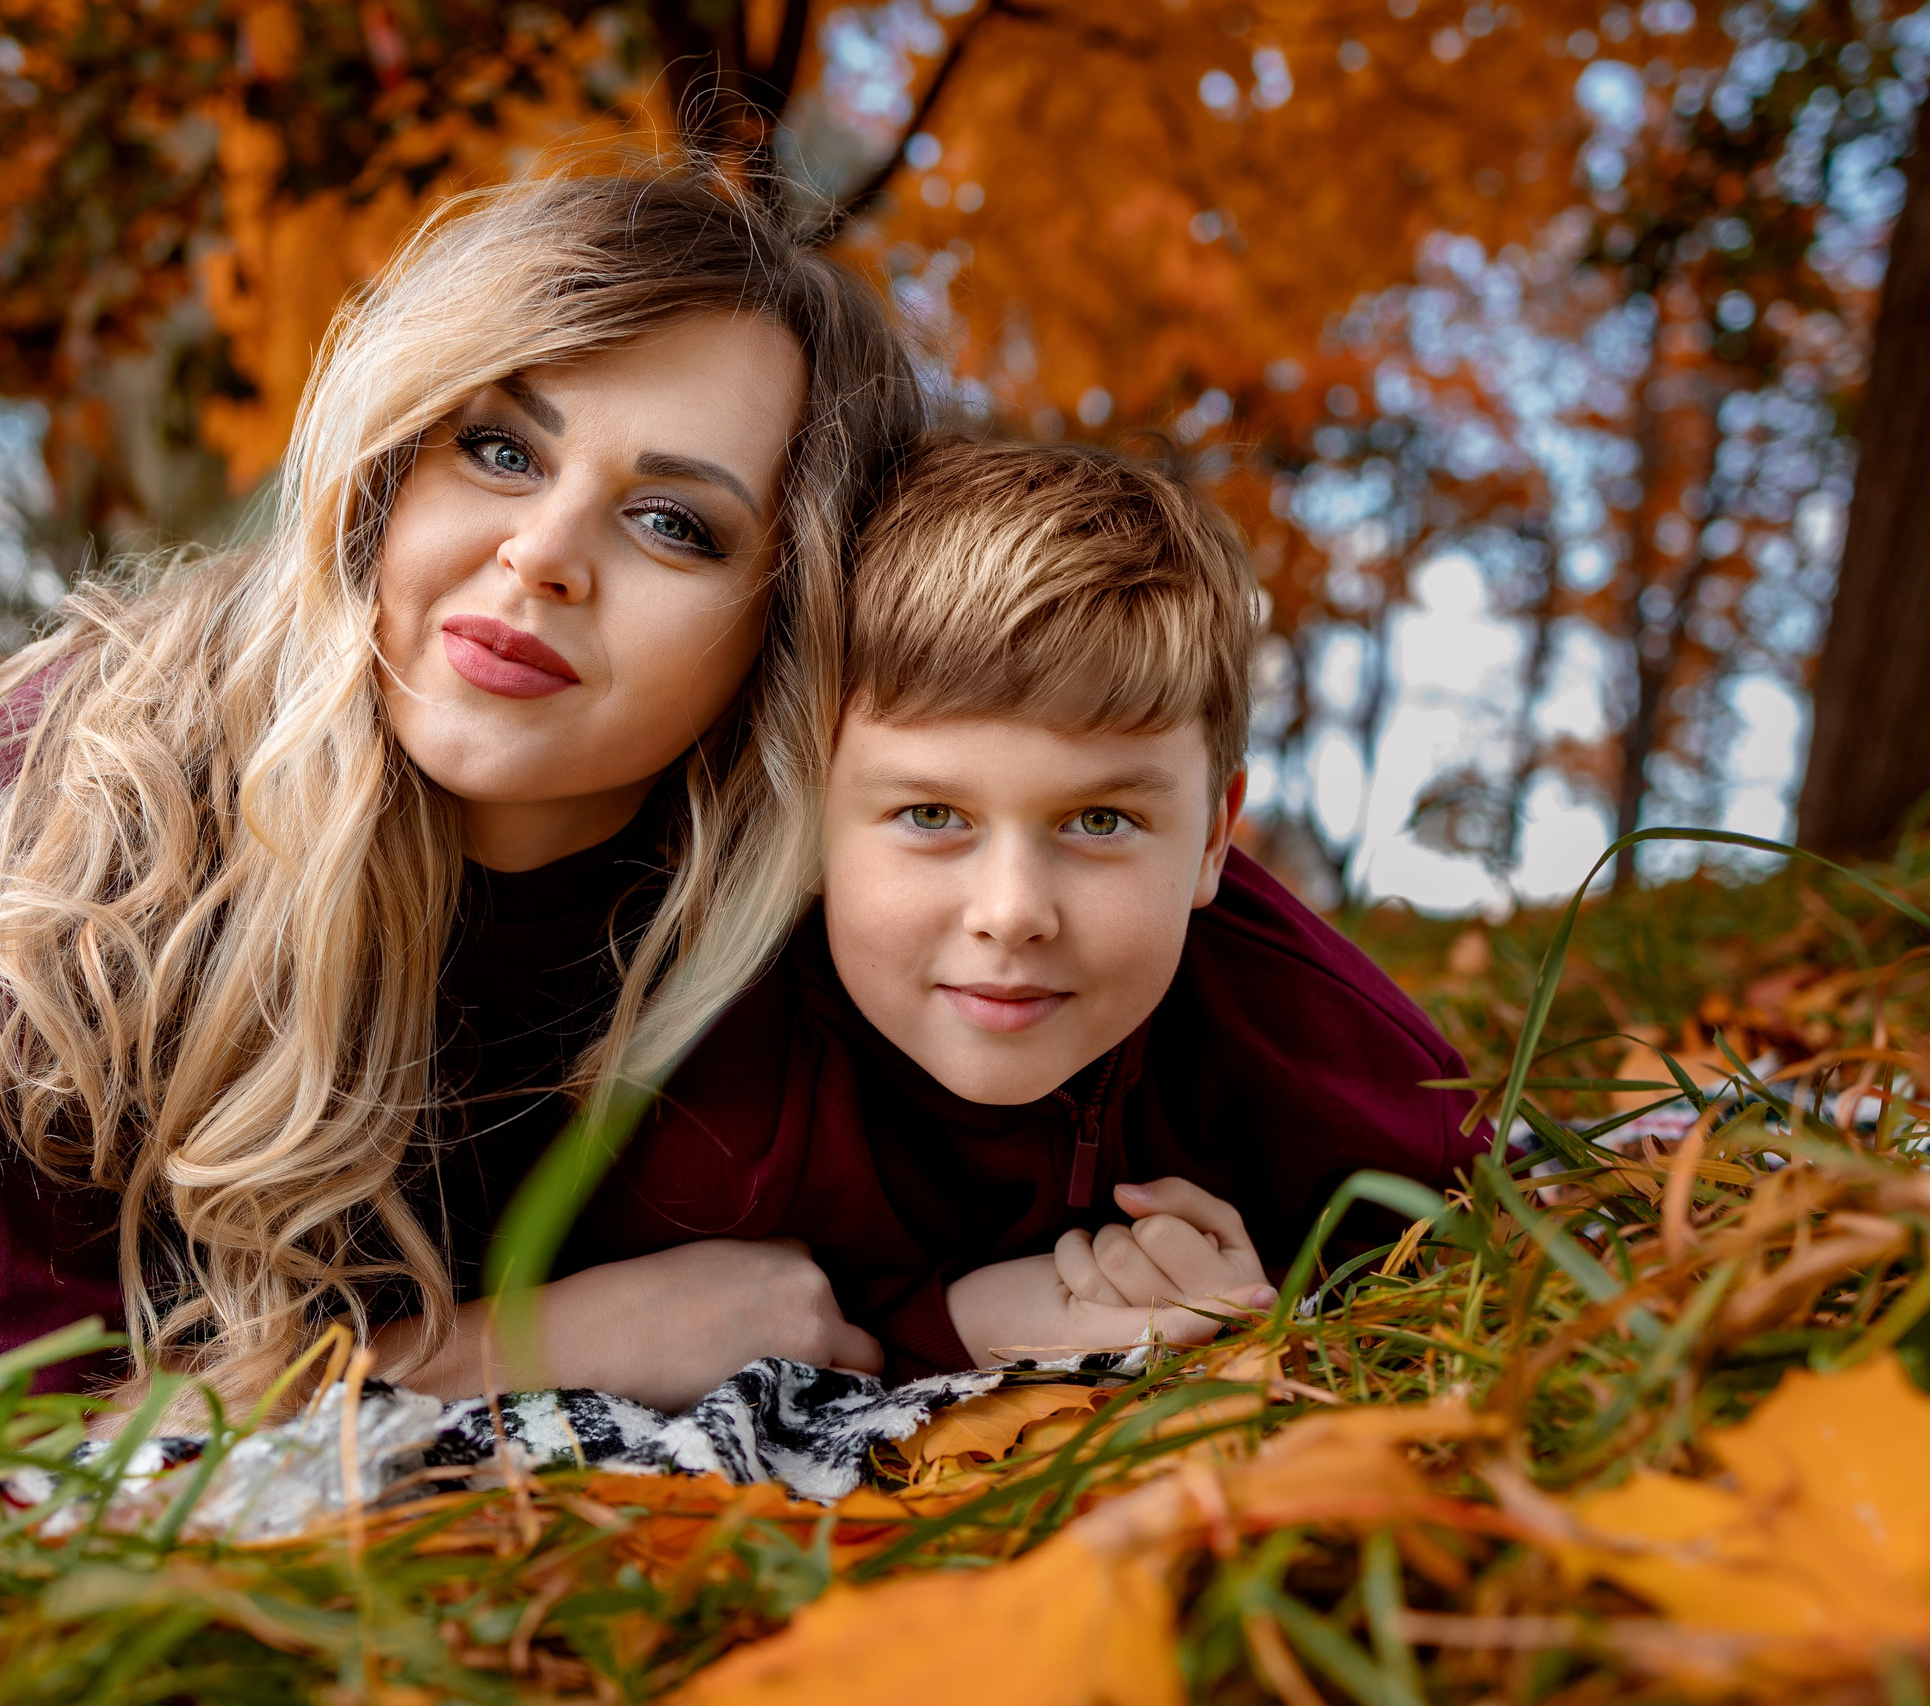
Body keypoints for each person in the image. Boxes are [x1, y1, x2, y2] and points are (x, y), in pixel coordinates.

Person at [0, 166, 927, 1431]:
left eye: (671, 522)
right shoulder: (68, 809)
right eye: (497, 448)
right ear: (388, 463)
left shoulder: (799, 922)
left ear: (787, 625)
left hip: (68, 1121)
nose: (541, 554)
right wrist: (511, 1345)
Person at [569, 439, 1489, 1388]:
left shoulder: (1330, 1068)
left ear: (1214, 841)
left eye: (1100, 820)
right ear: (806, 824)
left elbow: (1469, 1245)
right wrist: (950, 1324)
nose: (1012, 914)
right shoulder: (688, 1084)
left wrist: (1271, 1298)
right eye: (931, 815)